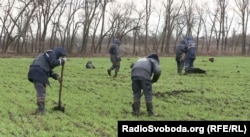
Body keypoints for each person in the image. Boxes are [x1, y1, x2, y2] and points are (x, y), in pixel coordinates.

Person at [28, 47, 67, 115]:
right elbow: (53, 63)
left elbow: (48, 70)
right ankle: (41, 109)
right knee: (41, 91)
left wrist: (57, 77)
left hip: (37, 71)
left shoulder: (48, 56)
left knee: (41, 89)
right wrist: (62, 61)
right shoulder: (51, 53)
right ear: (59, 54)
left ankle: (41, 108)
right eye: (60, 57)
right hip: (38, 72)